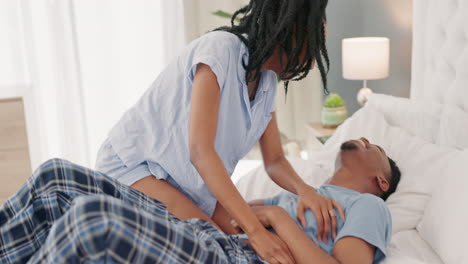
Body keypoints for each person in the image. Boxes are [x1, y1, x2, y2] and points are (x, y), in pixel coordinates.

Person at [95, 0, 333, 262]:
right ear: (293, 32)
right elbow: (200, 152)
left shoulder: (266, 85)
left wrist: (306, 190)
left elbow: (275, 160)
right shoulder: (220, 50)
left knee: (260, 246)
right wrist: (255, 231)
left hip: (190, 183)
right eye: (315, 47)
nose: (312, 64)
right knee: (216, 249)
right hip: (138, 166)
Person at [0, 137, 401, 264]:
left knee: (93, 220)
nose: (366, 139)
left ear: (380, 178)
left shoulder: (370, 206)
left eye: (375, 146)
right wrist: (266, 213)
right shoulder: (301, 196)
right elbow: (232, 221)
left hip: (240, 260)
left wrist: (276, 218)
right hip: (212, 237)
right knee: (57, 178)